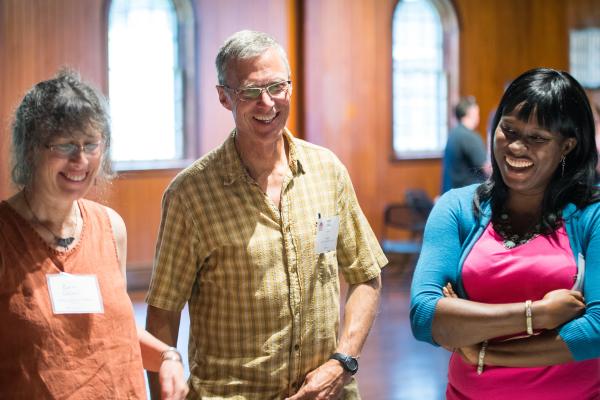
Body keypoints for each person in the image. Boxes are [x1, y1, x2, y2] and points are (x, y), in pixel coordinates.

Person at [145, 30, 387, 399]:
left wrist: (343, 361)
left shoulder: (327, 172)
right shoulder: (190, 195)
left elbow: (366, 277)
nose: (267, 103)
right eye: (250, 92)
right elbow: (162, 315)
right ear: (224, 97)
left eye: (277, 87)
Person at [410, 67, 600, 399]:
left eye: (537, 138)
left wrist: (484, 352)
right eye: (508, 130)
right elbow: (426, 317)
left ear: (567, 146)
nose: (516, 147)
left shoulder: (590, 215)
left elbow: (595, 332)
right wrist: (537, 313)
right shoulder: (458, 209)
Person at [0, 70, 189, 399]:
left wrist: (167, 357)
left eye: (91, 144)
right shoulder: (6, 234)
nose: (80, 159)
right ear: (30, 149)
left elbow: (114, 329)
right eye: (64, 145)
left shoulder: (110, 226)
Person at [441, 96, 488, 193]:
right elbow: (487, 168)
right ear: (471, 112)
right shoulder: (470, 137)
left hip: (451, 194)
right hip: (466, 197)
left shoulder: (453, 134)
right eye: (477, 113)